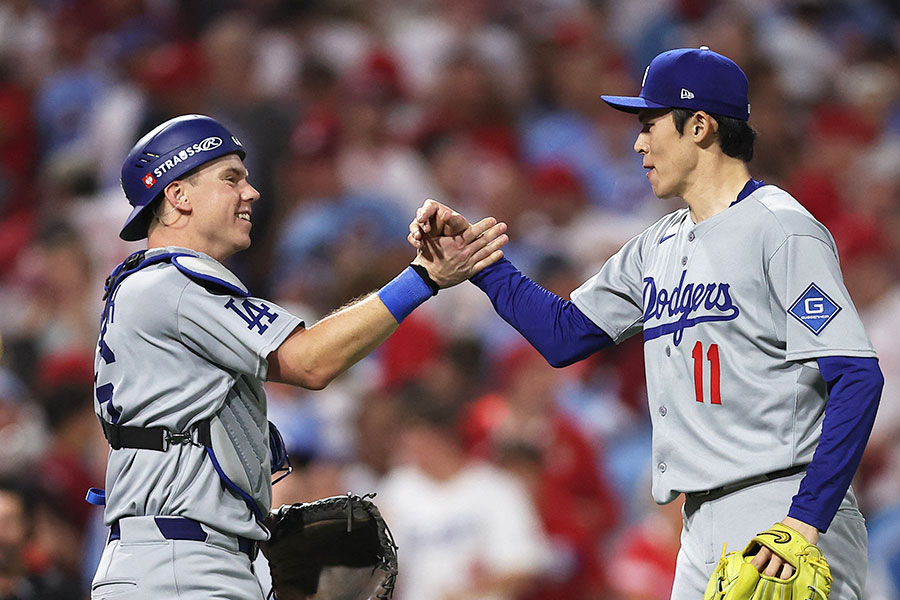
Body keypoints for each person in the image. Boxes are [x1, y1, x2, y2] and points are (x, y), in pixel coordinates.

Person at [410, 47, 884, 600]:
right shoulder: (657, 244)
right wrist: (480, 262)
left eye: (649, 123)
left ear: (700, 126)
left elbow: (856, 375)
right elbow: (565, 334)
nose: (639, 142)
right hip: (697, 523)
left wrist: (806, 519)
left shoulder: (781, 230)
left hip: (781, 506)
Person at [88, 114, 508, 600]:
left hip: (180, 559)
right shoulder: (174, 283)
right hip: (181, 566)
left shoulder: (152, 287)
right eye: (231, 178)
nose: (251, 192)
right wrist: (423, 277)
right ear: (178, 195)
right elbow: (309, 362)